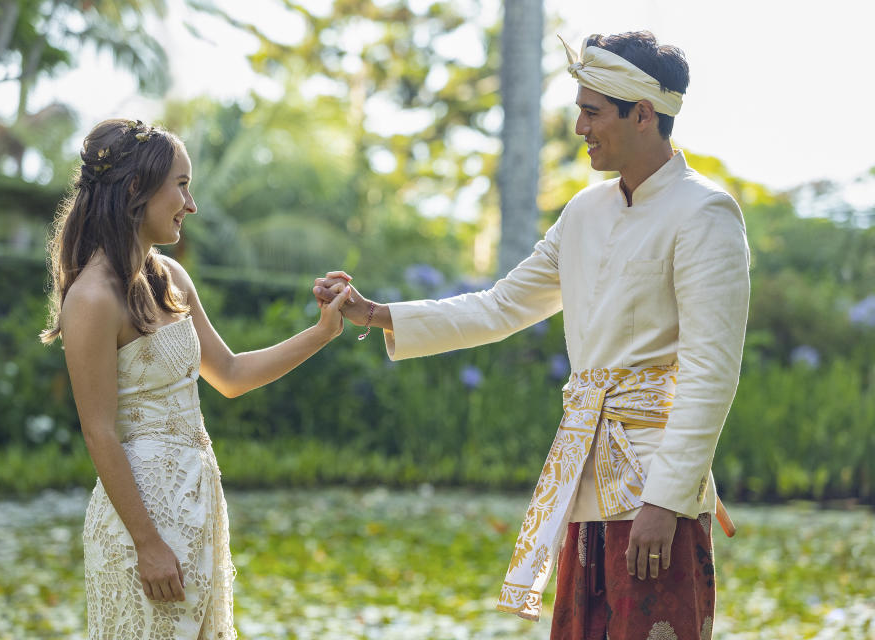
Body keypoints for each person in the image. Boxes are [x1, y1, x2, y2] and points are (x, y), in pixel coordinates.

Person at [314, 31, 750, 640]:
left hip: (655, 495)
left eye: (591, 111)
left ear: (644, 114)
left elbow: (711, 369)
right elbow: (500, 307)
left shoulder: (707, 213)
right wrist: (378, 314)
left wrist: (667, 500)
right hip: (582, 486)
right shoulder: (583, 212)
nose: (579, 127)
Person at [41, 118, 350, 639]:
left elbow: (229, 374)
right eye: (181, 185)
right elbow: (99, 431)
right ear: (137, 189)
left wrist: (323, 331)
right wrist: (147, 544)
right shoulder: (92, 297)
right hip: (142, 519)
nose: (192, 204)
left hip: (199, 500)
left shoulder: (170, 277)